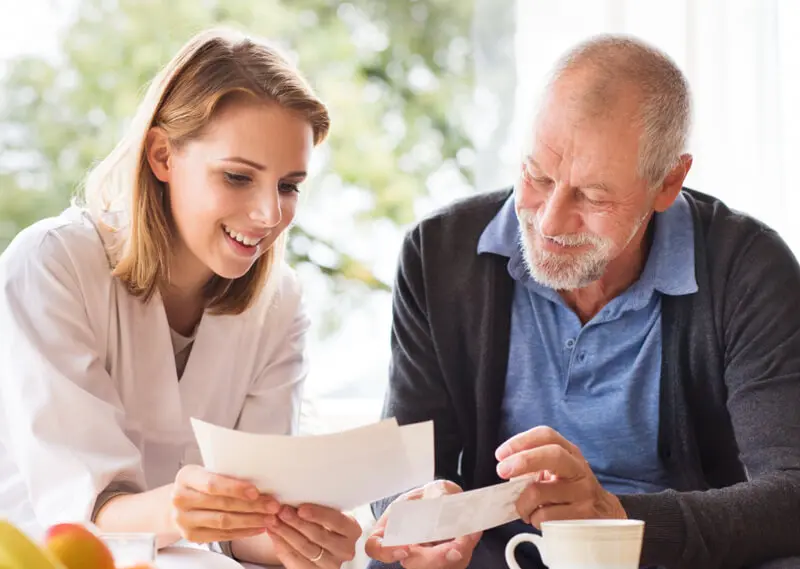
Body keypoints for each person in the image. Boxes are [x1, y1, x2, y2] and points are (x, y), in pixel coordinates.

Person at [365, 34, 800, 569]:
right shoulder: (438, 254)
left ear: (669, 182)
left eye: (593, 196)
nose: (548, 222)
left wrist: (613, 517)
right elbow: (398, 469)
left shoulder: (747, 269)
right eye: (537, 176)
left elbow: (791, 495)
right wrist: (420, 517)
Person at [0, 28, 361, 568]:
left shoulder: (280, 304)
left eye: (288, 186)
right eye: (238, 177)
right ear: (163, 155)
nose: (268, 215)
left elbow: (244, 529)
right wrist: (189, 510)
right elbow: (83, 517)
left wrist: (304, 541)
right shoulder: (52, 266)